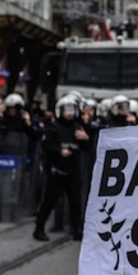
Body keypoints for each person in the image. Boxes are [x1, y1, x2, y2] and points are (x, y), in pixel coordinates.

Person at [33, 95, 90, 242]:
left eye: (72, 109)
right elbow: (45, 145)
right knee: (49, 201)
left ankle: (77, 229)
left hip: (73, 169)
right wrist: (59, 151)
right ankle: (39, 228)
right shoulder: (53, 127)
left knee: (75, 202)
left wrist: (85, 138)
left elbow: (86, 147)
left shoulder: (78, 127)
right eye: (67, 109)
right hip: (57, 169)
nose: (70, 113)